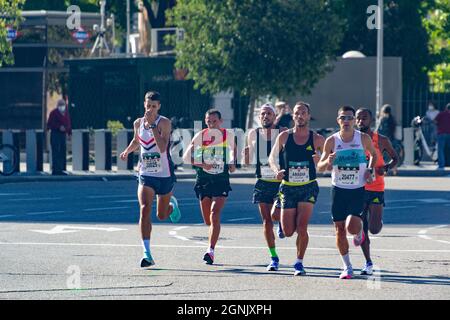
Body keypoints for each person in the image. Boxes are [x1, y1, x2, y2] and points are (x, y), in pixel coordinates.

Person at [119, 91, 181, 268]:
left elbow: (162, 148)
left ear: (159, 107)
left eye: (154, 106)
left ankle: (171, 206)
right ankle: (146, 253)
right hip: (146, 173)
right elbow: (136, 141)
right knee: (144, 209)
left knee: (161, 215)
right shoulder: (138, 123)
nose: (150, 109)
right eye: (148, 105)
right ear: (144, 104)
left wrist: (153, 125)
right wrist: (127, 151)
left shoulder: (164, 123)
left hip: (164, 174)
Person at [317, 106, 377, 279]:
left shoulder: (363, 138)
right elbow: (320, 167)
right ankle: (347, 266)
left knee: (351, 225)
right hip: (338, 190)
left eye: (349, 118)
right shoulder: (332, 141)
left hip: (357, 189)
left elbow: (373, 154)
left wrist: (370, 169)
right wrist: (327, 161)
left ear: (353, 121)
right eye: (343, 118)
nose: (346, 121)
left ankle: (359, 232)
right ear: (338, 121)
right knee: (339, 230)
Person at [269, 102, 325, 276]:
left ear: (308, 116)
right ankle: (281, 224)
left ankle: (299, 262)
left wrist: (320, 162)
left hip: (308, 187)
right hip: (288, 187)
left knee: (302, 226)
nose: (300, 116)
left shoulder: (317, 138)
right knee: (288, 231)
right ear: (292, 116)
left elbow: (327, 163)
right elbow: (272, 157)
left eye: (303, 113)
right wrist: (276, 170)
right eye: (296, 113)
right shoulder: (284, 136)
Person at [183, 109, 236, 265]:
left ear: (221, 121)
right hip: (204, 179)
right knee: (208, 220)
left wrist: (232, 163)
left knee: (214, 214)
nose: (211, 124)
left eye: (214, 121)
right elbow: (186, 157)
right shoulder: (200, 136)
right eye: (208, 121)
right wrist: (203, 164)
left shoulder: (228, 135)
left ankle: (210, 250)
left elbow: (233, 152)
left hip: (221, 180)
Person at [244, 103, 287, 271]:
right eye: (263, 113)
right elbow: (248, 163)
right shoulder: (253, 134)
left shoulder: (282, 132)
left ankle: (282, 222)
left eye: (269, 113)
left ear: (275, 116)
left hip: (281, 182)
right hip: (262, 181)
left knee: (275, 215)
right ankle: (273, 257)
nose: (265, 116)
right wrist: (246, 156)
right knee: (266, 221)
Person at [356, 108, 399, 275]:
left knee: (374, 229)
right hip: (357, 189)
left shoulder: (381, 140)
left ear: (371, 120)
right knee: (362, 227)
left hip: (376, 188)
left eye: (364, 118)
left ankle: (377, 221)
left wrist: (386, 168)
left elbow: (396, 158)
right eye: (358, 118)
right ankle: (368, 262)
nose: (360, 121)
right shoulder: (352, 140)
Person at [46, 99, 72, 175]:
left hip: (63, 135)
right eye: (60, 104)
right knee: (56, 152)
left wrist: (69, 132)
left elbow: (68, 123)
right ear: (57, 105)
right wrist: (58, 127)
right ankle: (56, 170)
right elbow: (49, 124)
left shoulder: (66, 113)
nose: (62, 106)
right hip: (55, 134)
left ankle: (61, 168)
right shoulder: (53, 113)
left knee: (62, 151)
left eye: (63, 104)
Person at [435, 103, 450, 170]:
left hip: (442, 133)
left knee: (440, 150)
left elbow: (435, 121)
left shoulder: (442, 114)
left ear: (446, 108)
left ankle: (441, 165)